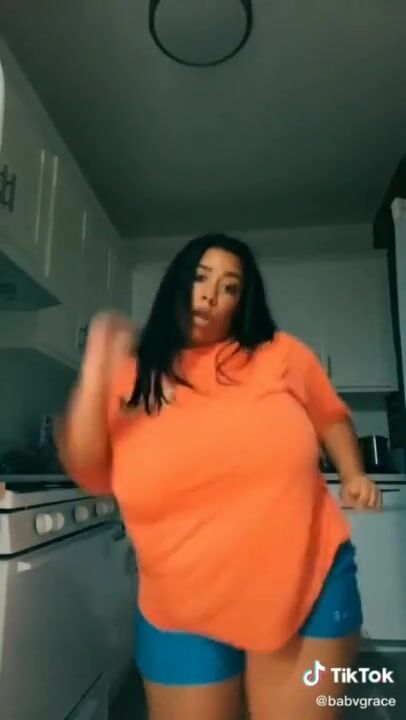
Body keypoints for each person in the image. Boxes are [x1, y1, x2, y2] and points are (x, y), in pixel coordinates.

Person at [56, 233, 382, 720]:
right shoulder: (131, 374)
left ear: (240, 303)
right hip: (179, 601)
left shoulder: (280, 354)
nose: (210, 295)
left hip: (304, 583)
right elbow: (89, 470)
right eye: (200, 278)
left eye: (230, 287)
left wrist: (353, 473)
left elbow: (330, 415)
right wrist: (96, 370)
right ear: (177, 282)